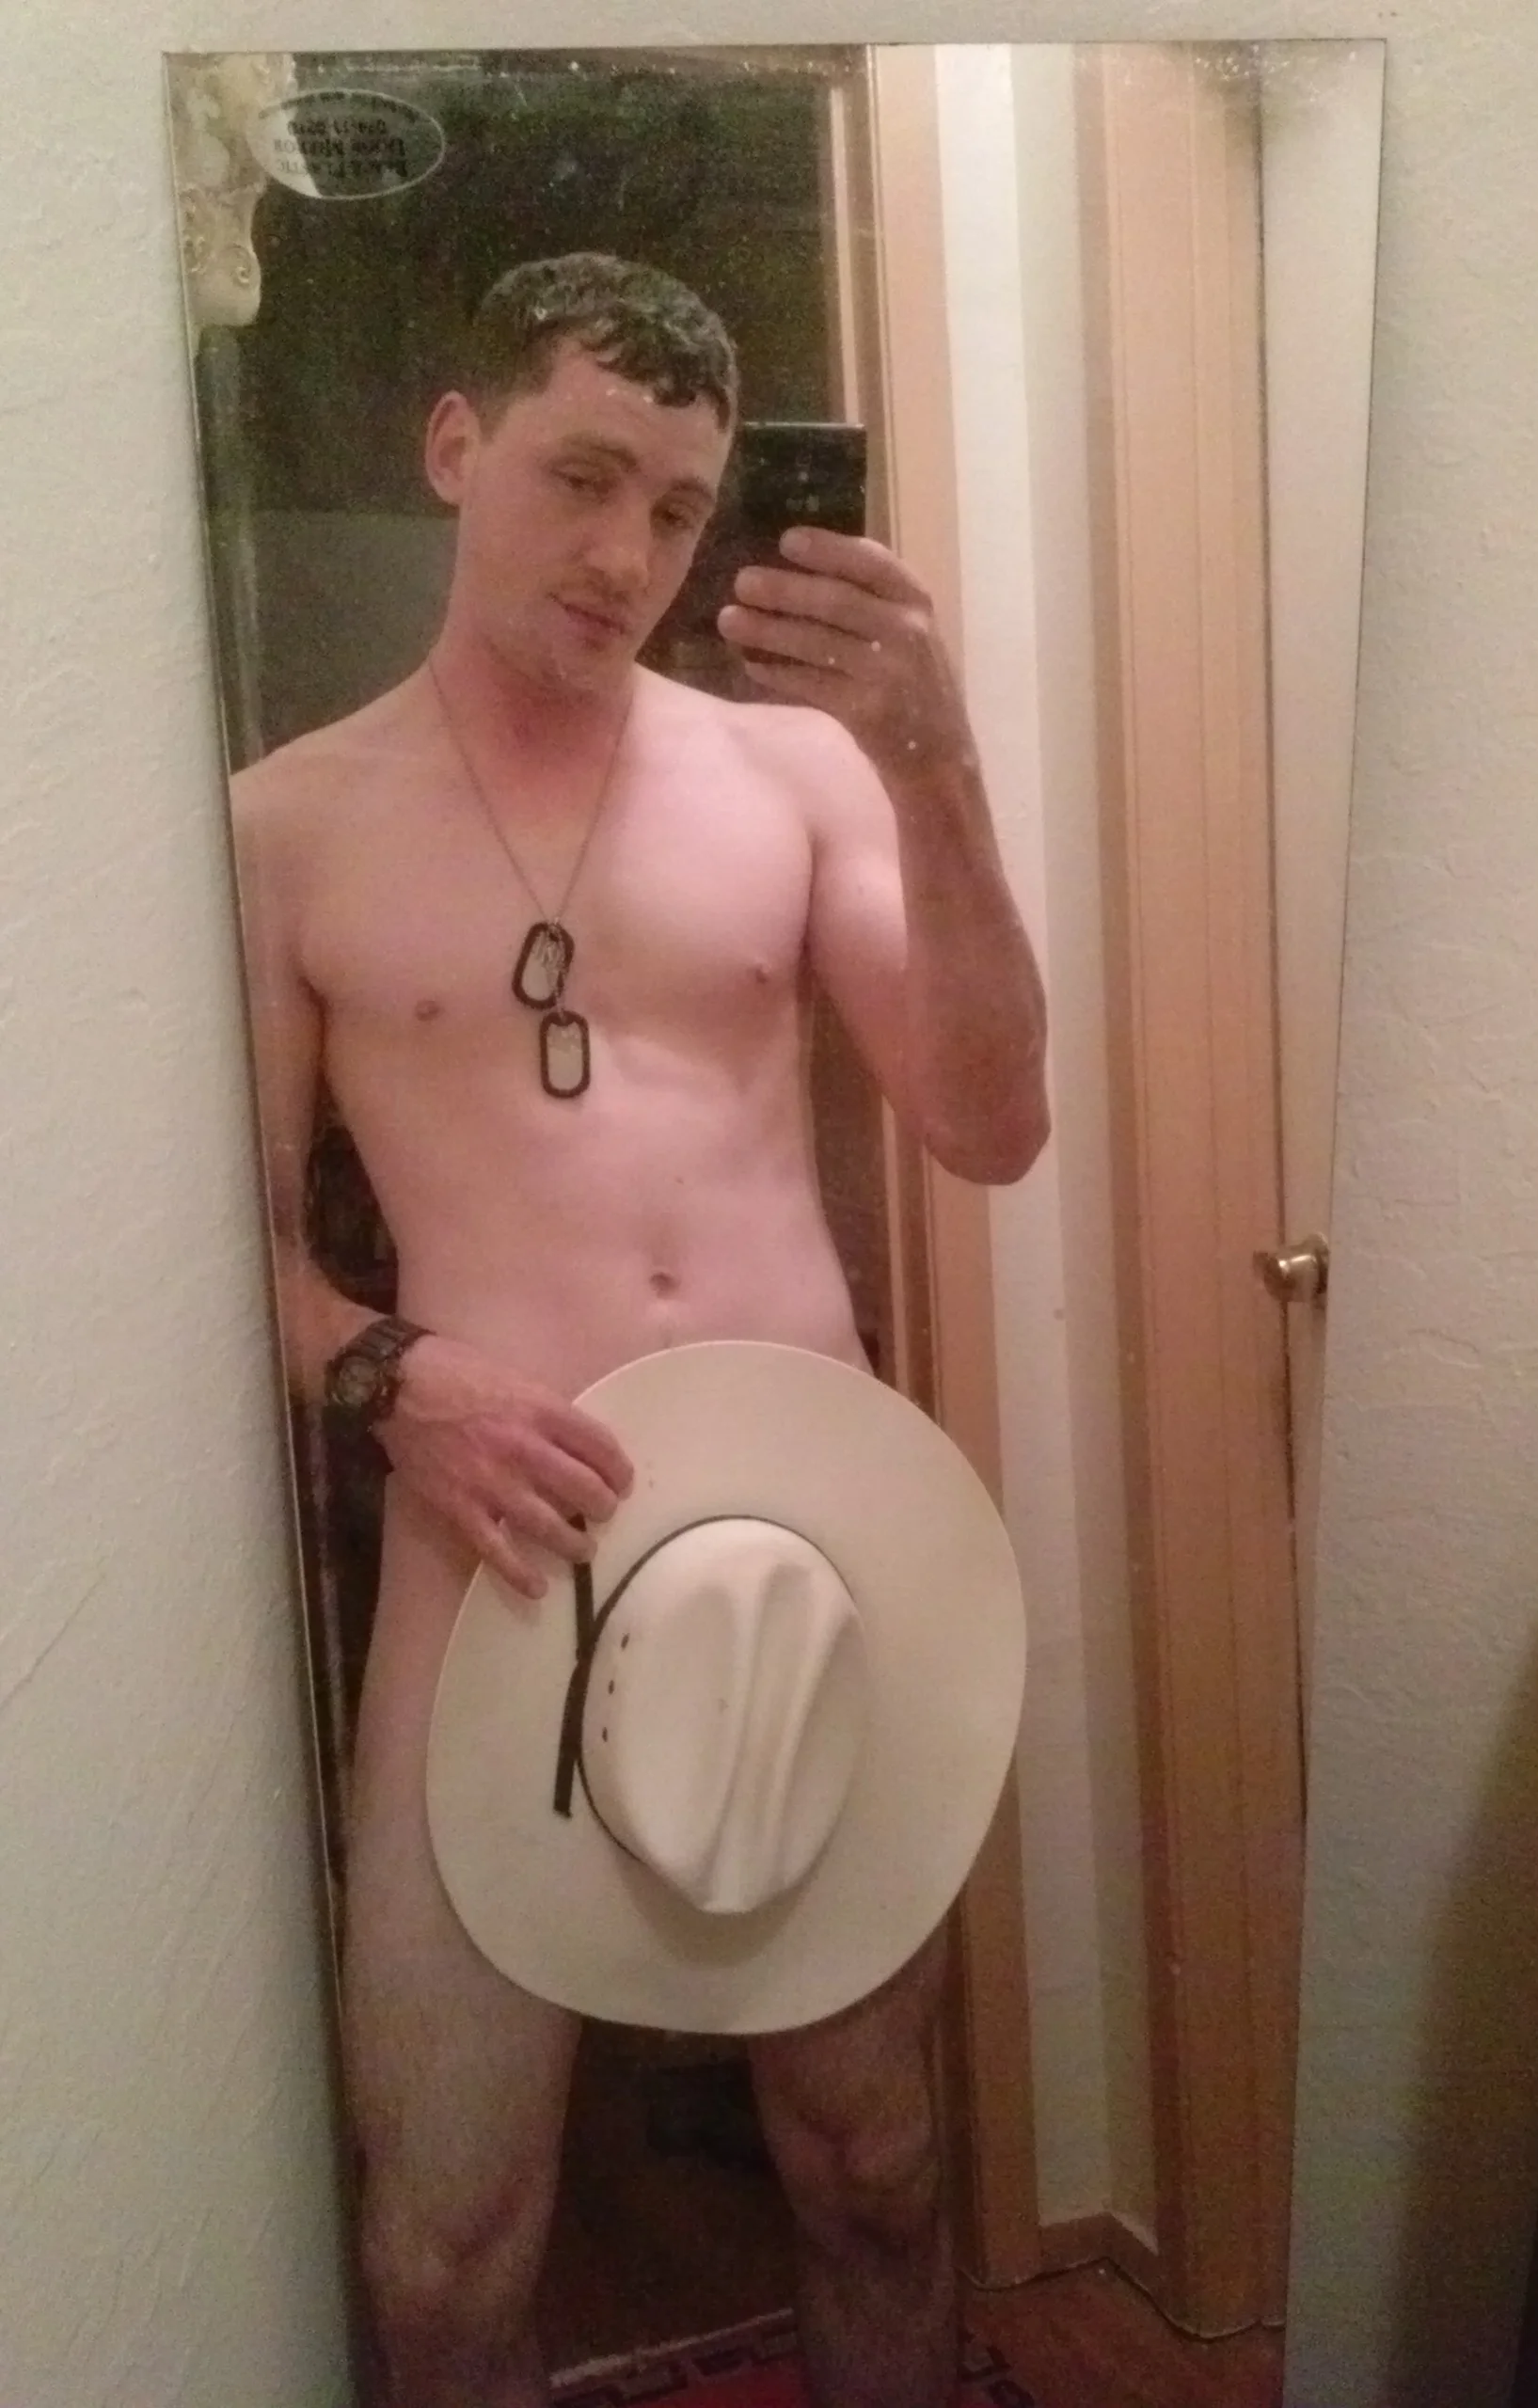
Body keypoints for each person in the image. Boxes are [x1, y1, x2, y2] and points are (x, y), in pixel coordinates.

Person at [230, 251, 1049, 2408]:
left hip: (816, 1524)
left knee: (876, 2167)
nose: (627, 553)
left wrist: (939, 767)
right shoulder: (286, 826)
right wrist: (388, 1374)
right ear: (453, 447)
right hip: (497, 1536)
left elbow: (991, 1123)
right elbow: (236, 1256)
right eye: (581, 476)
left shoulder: (798, 773)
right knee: (444, 2248)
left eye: (678, 507)